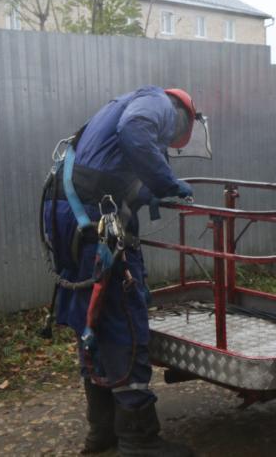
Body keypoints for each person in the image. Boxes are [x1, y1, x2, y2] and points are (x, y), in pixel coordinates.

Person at [42, 86, 196, 456]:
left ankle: (103, 432)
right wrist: (166, 183)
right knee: (122, 320)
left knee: (90, 319)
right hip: (93, 219)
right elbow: (135, 133)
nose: (172, 142)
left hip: (68, 214)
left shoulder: (112, 111)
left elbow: (112, 170)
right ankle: (138, 440)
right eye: (176, 137)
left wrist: (148, 193)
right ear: (183, 112)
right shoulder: (158, 102)